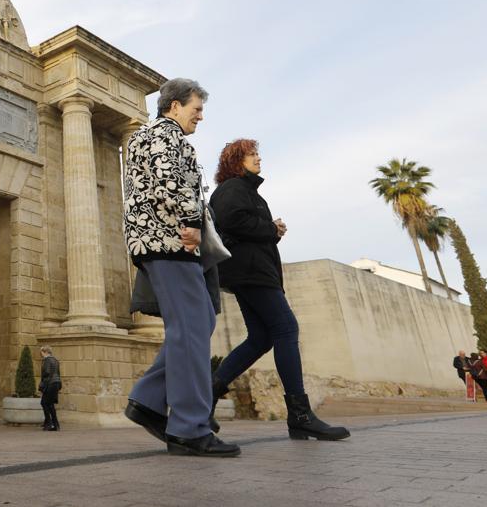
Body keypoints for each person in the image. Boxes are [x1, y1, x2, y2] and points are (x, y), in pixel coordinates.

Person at [123, 78, 241, 458]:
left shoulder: (156, 135)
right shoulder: (163, 134)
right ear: (174, 106)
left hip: (165, 241)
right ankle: (190, 427)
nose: (200, 117)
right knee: (191, 327)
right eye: (197, 109)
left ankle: (147, 399)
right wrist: (190, 221)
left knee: (198, 321)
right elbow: (170, 181)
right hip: (170, 240)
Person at [207, 139, 350, 442]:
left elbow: (243, 226)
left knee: (261, 338)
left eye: (257, 154)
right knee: (286, 328)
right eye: (252, 155)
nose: (258, 159)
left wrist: (272, 230)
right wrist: (270, 228)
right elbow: (232, 221)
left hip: (254, 272)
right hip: (251, 273)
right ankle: (300, 414)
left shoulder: (246, 191)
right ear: (236, 161)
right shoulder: (233, 189)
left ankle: (207, 394)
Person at [39, 345, 61, 431]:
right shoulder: (55, 360)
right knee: (50, 404)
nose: (41, 355)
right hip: (56, 383)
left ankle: (49, 423)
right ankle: (55, 424)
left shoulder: (47, 360)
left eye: (41, 353)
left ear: (45, 352)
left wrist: (42, 384)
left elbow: (47, 372)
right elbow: (58, 373)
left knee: (44, 403)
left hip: (50, 383)